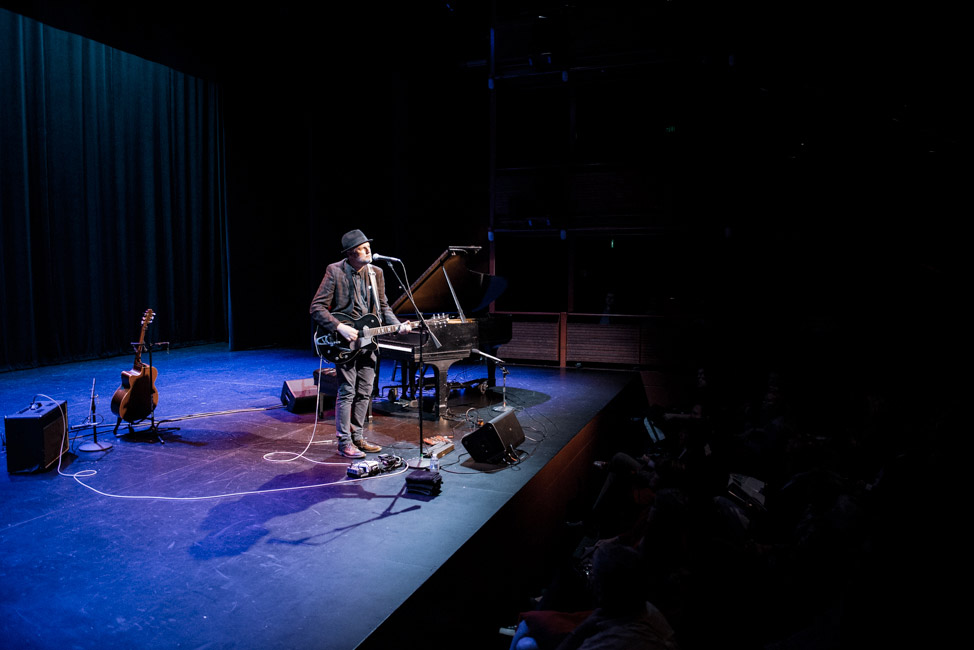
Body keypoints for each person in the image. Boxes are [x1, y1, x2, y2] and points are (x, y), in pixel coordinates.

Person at [310, 229, 412, 459]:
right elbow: (316, 307)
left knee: (365, 391)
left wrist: (398, 326)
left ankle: (358, 436)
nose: (369, 251)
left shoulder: (377, 273)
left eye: (369, 246)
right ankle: (344, 441)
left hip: (369, 342)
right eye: (363, 248)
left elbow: (384, 308)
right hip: (343, 342)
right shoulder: (334, 271)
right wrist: (339, 327)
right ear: (350, 253)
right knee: (347, 391)